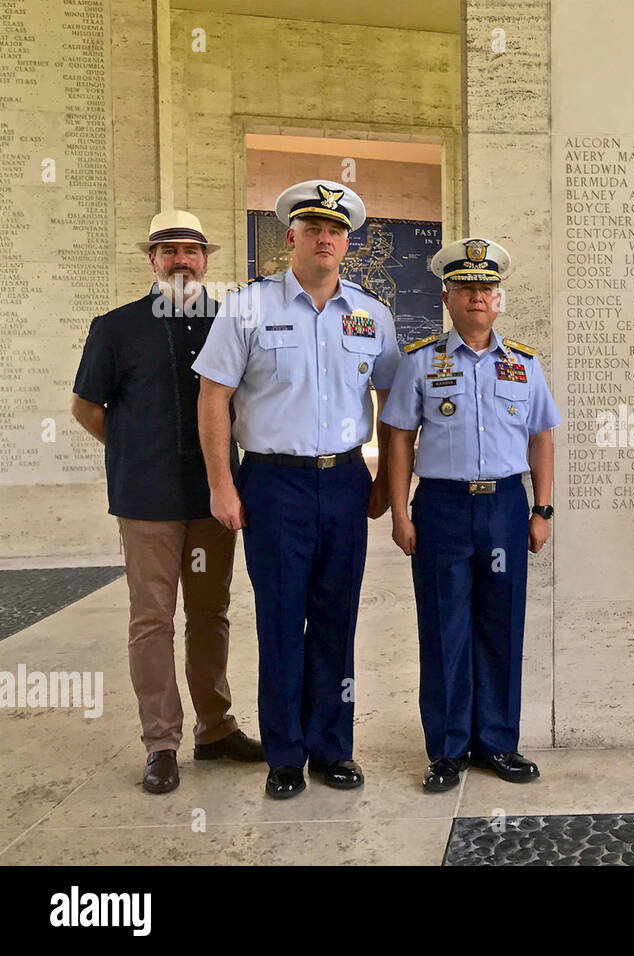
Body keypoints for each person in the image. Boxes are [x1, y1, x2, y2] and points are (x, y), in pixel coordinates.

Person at [193, 181, 400, 799]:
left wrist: (390, 479)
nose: (325, 238)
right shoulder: (247, 307)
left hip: (344, 481)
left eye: (335, 230)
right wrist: (222, 485)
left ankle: (331, 748)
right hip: (272, 482)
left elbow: (392, 401)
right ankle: (285, 753)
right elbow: (214, 396)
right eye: (313, 228)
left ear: (347, 243)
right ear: (291, 238)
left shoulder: (372, 314)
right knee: (281, 620)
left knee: (336, 619)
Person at [71, 210, 262, 794]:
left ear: (207, 259)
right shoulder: (116, 327)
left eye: (192, 250)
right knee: (152, 620)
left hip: (214, 500)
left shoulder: (229, 323)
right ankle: (161, 742)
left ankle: (215, 728)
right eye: (169, 250)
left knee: (210, 614)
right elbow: (86, 408)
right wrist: (133, 450)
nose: (182, 260)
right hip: (146, 500)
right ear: (151, 259)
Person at [382, 238, 560, 792]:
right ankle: (447, 749)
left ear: (498, 298)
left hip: (505, 504)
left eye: (485, 287)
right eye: (465, 287)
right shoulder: (419, 361)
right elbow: (399, 440)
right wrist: (399, 512)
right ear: (447, 296)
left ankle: (498, 743)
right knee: (444, 628)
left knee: (501, 625)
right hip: (441, 506)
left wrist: (542, 508)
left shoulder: (523, 364)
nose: (476, 296)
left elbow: (542, 438)